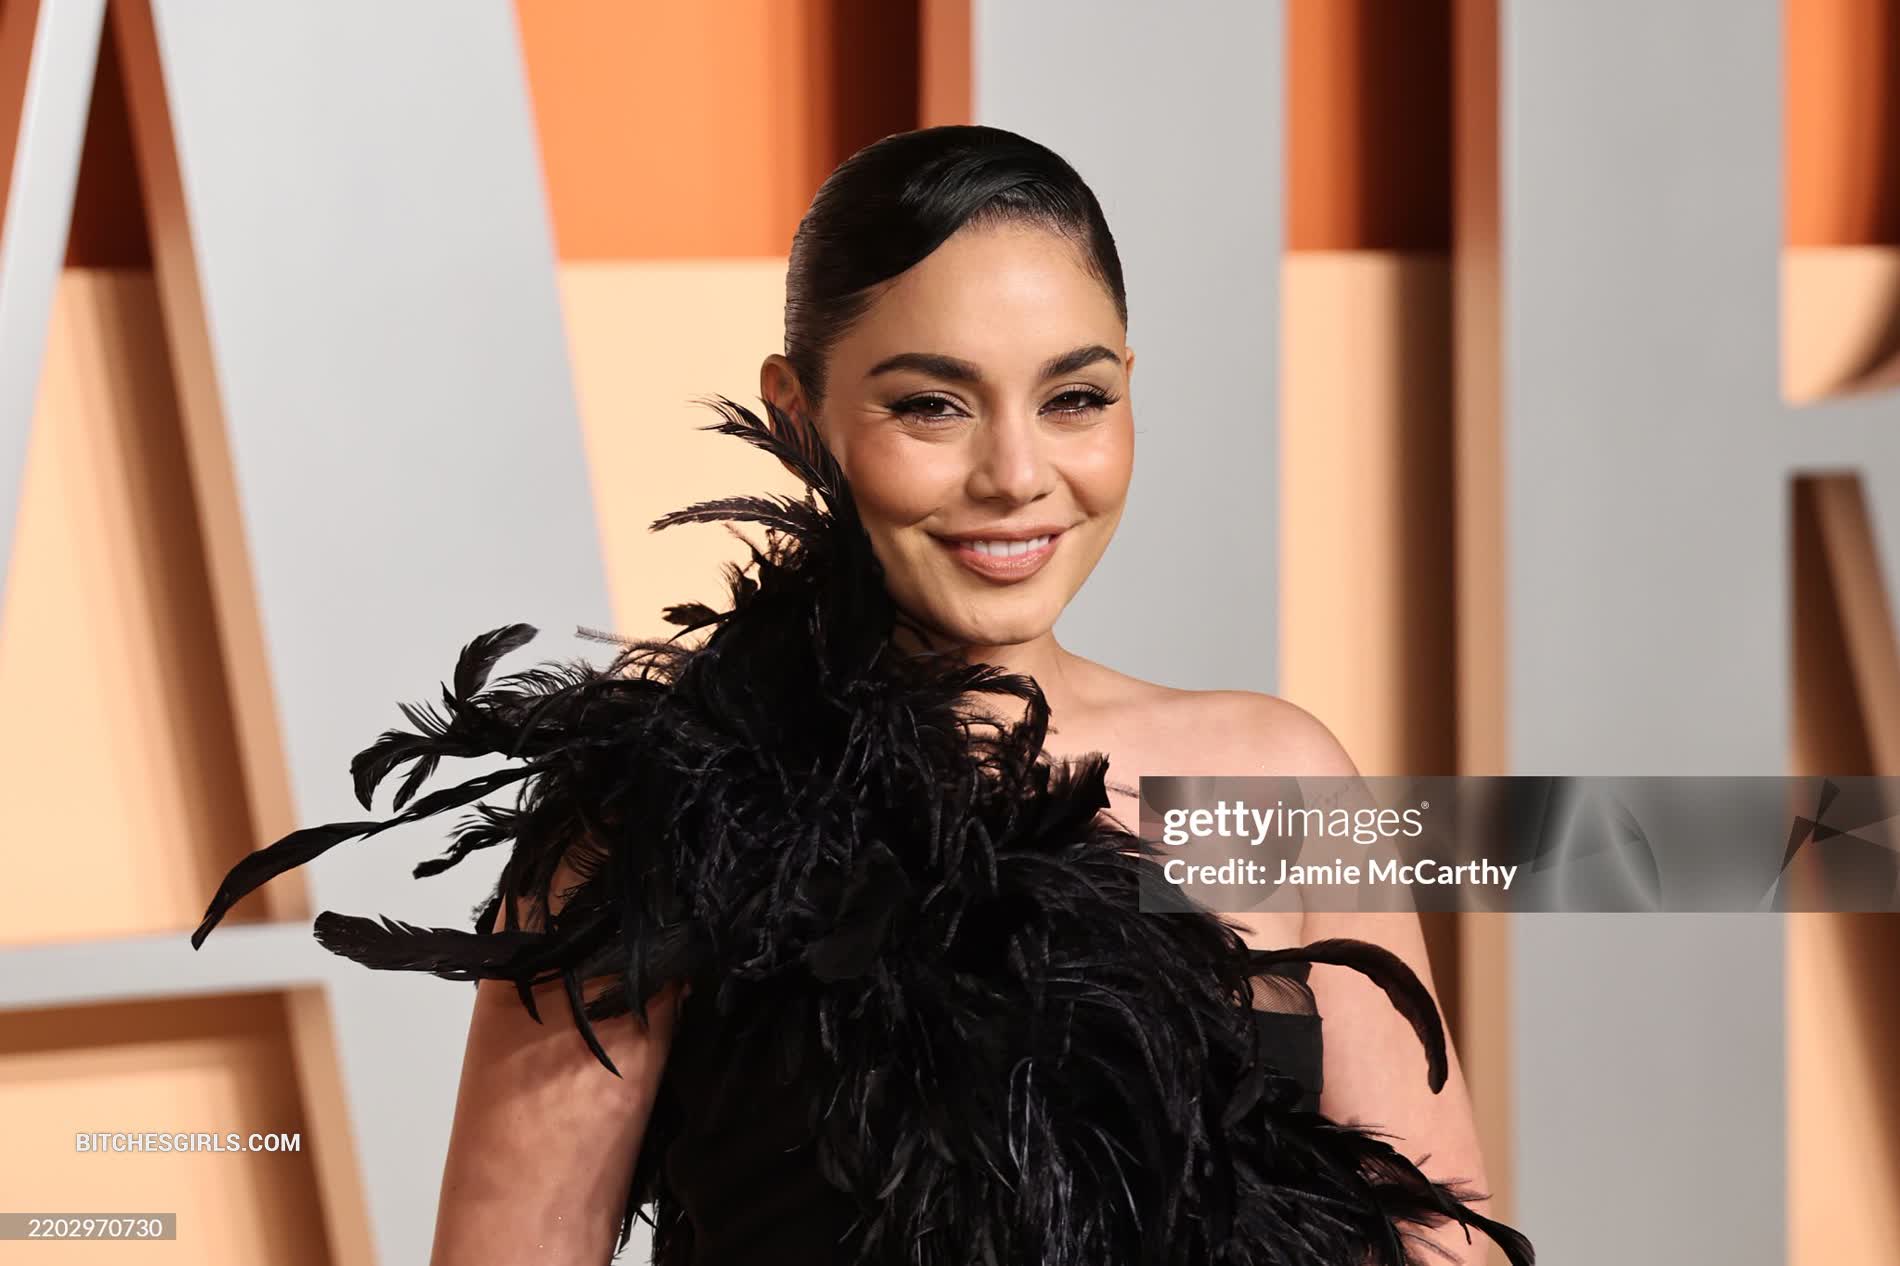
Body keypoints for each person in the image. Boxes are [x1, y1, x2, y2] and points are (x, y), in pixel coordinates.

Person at [192, 125, 1533, 1266]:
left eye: (1074, 397)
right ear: (796, 413)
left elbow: (1442, 1239)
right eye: (932, 405)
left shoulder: (1271, 774)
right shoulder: (662, 807)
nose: (1017, 474)